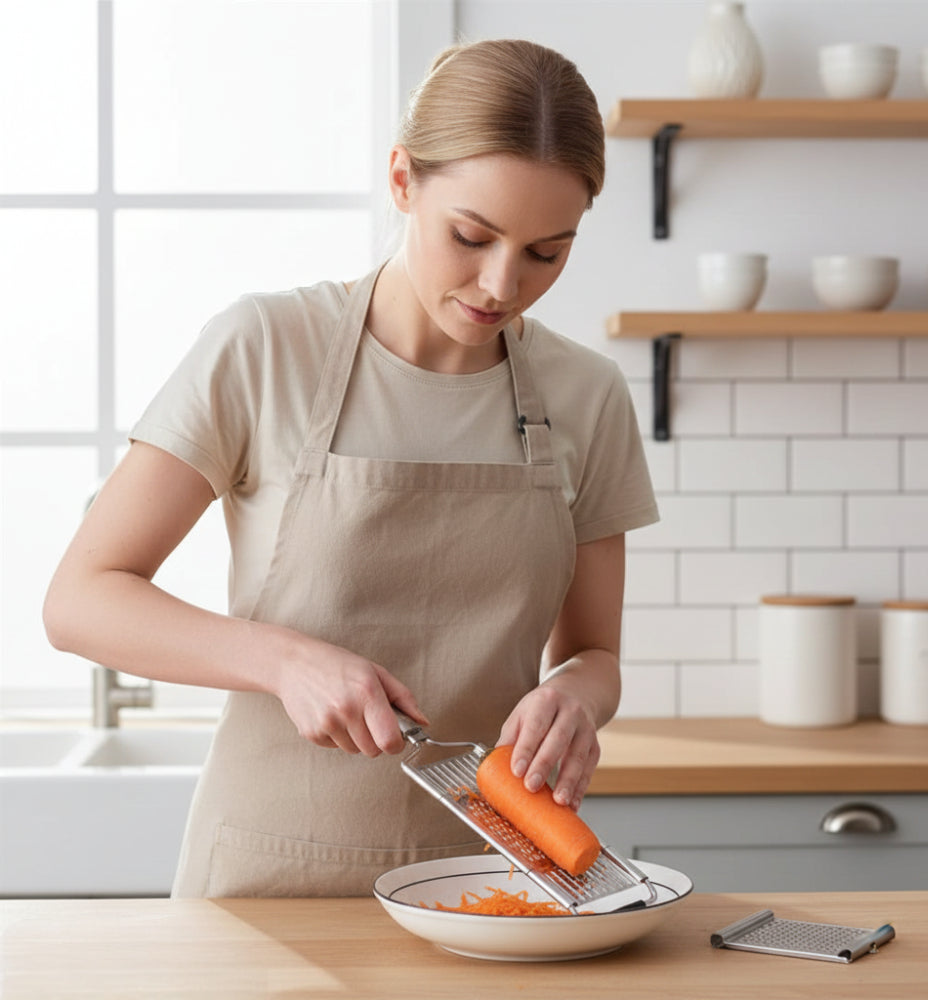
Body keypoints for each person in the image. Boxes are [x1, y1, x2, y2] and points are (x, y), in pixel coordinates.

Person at [43, 38, 658, 898]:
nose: (500, 284)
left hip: (488, 888)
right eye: (471, 236)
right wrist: (282, 661)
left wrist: (581, 700)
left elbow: (594, 652)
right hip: (265, 889)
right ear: (403, 181)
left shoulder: (587, 396)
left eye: (545, 253)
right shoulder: (263, 348)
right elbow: (79, 600)